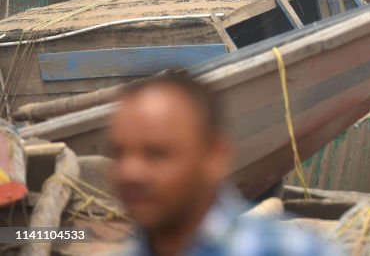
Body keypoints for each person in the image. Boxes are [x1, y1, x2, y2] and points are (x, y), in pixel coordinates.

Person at [110, 73, 330, 255]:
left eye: (156, 154)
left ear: (216, 155)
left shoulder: (293, 251)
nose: (130, 172)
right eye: (119, 154)